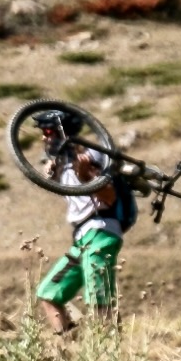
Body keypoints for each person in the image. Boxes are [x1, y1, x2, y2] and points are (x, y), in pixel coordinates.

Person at [36, 131, 123, 337]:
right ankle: (68, 347)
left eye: (48, 133)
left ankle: (111, 352)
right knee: (48, 292)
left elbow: (109, 197)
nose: (44, 139)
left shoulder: (92, 158)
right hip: (82, 239)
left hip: (101, 230)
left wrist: (85, 176)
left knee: (99, 295)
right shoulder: (60, 163)